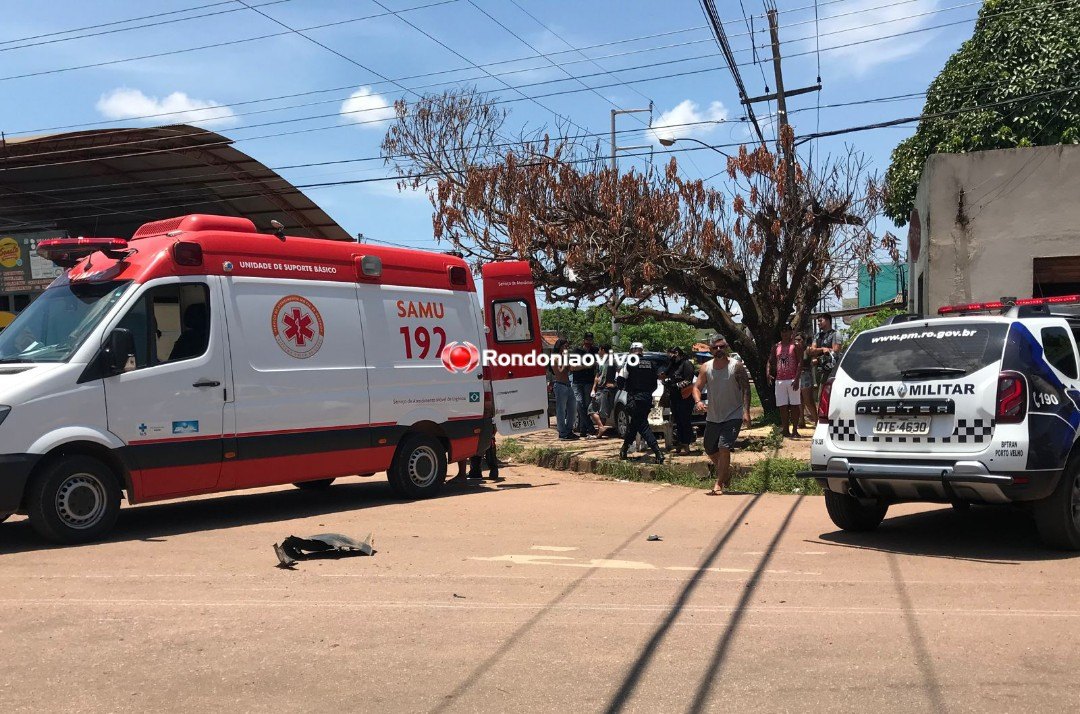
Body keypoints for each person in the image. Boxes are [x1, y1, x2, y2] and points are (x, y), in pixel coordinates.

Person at [692, 337, 752, 495]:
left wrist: (746, 412)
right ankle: (725, 472)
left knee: (724, 447)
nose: (718, 350)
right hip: (713, 415)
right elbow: (697, 387)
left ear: (726, 348)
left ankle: (719, 483)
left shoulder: (736, 366)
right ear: (710, 350)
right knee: (709, 448)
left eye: (721, 347)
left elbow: (746, 389)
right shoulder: (706, 368)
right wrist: (698, 401)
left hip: (734, 413)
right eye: (715, 348)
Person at [616, 342, 664, 464]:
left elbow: (620, 380)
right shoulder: (651, 364)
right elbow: (654, 383)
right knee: (635, 424)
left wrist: (626, 389)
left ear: (632, 351)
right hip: (647, 398)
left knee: (642, 425)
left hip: (634, 398)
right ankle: (624, 450)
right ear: (642, 351)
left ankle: (658, 452)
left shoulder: (629, 363)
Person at [766, 323, 803, 439]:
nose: (785, 333)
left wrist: (797, 378)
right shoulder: (776, 346)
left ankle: (795, 430)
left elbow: (800, 362)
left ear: (791, 332)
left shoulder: (796, 345)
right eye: (783, 331)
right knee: (782, 406)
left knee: (794, 405)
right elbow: (770, 360)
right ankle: (785, 429)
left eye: (787, 331)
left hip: (792, 379)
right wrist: (767, 372)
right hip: (780, 380)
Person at [663, 346, 697, 454]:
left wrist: (675, 385)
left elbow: (688, 380)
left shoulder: (686, 364)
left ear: (676, 353)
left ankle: (686, 444)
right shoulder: (673, 364)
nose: (669, 356)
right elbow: (666, 374)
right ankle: (680, 442)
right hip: (674, 397)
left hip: (685, 397)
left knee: (685, 420)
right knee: (677, 421)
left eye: (670, 354)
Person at [807, 313, 841, 401]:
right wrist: (823, 349)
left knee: (826, 393)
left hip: (831, 369)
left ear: (828, 321)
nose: (818, 323)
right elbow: (812, 350)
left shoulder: (835, 334)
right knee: (814, 393)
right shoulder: (817, 335)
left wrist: (825, 350)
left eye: (820, 321)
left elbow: (836, 350)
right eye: (818, 321)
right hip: (818, 368)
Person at [570, 332, 598, 436]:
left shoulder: (595, 350)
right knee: (579, 404)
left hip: (589, 382)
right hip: (577, 382)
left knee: (586, 406)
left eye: (590, 340)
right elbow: (572, 367)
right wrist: (587, 366)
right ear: (583, 340)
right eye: (587, 340)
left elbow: (598, 363)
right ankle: (590, 427)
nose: (589, 342)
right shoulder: (577, 351)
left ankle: (582, 429)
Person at [586, 344, 616, 437]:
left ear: (602, 350)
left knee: (602, 412)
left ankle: (600, 431)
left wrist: (615, 384)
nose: (598, 352)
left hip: (607, 389)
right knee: (591, 409)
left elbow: (621, 372)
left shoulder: (613, 361)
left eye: (599, 350)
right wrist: (593, 389)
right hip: (599, 388)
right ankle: (601, 428)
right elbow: (597, 376)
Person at [551, 338, 577, 440]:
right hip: (560, 386)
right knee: (561, 410)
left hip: (568, 385)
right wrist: (565, 361)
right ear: (560, 346)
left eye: (567, 347)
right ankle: (562, 432)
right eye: (565, 346)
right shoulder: (555, 358)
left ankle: (569, 430)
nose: (567, 348)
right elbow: (560, 371)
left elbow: (569, 369)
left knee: (572, 408)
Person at [795, 333, 816, 428]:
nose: (797, 341)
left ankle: (817, 421)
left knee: (808, 400)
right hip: (797, 375)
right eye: (796, 339)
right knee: (799, 400)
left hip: (806, 375)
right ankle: (801, 420)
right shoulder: (794, 350)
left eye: (799, 340)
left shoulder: (808, 350)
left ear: (804, 340)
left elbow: (816, 354)